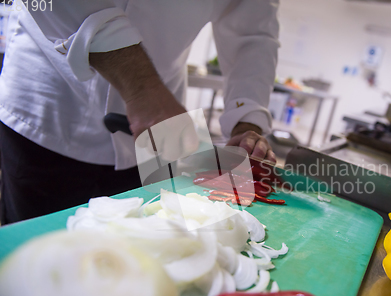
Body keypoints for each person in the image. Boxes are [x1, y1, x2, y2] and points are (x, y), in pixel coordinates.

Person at [0, 0, 279, 224]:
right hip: (51, 106)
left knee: (149, 237)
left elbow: (253, 33)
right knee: (38, 249)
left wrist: (247, 117)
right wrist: (141, 88)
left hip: (159, 134)